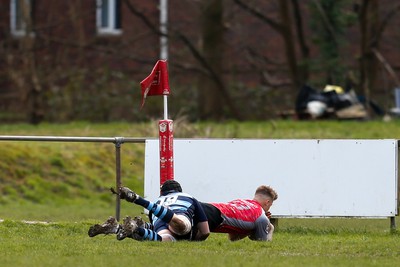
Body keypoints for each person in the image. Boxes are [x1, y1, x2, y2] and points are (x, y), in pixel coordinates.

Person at [88, 180, 210, 242]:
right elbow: (205, 232)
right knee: (181, 226)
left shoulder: (159, 200)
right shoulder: (188, 197)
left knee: (163, 238)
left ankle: (121, 228)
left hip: (159, 218)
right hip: (178, 216)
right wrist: (194, 240)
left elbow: (155, 225)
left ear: (162, 193)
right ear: (180, 190)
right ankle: (137, 200)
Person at [200, 185, 278, 241]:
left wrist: (253, 229)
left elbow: (233, 237)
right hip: (213, 216)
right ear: (267, 202)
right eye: (270, 205)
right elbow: (262, 244)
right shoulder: (261, 216)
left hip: (206, 207)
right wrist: (270, 228)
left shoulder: (240, 201)